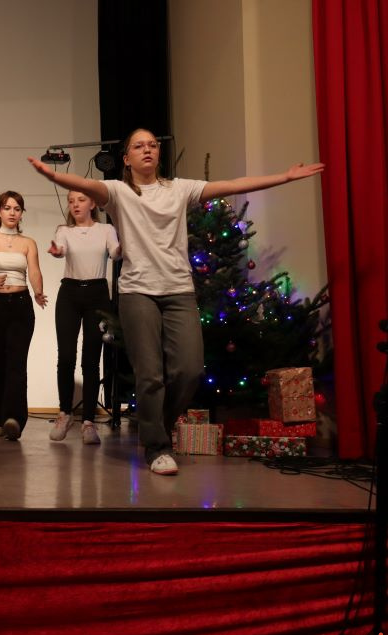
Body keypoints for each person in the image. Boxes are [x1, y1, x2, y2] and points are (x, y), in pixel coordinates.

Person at [29, 128, 323, 475]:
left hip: (179, 290)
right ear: (126, 158)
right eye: (139, 146)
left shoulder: (179, 189)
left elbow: (231, 185)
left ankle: (158, 426)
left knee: (189, 369)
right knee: (150, 374)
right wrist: (52, 175)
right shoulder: (119, 192)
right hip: (138, 292)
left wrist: (284, 177)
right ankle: (157, 447)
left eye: (152, 145)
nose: (148, 149)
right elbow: (86, 185)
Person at [47, 190, 121, 445]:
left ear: (92, 203)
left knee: (91, 359)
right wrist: (57, 251)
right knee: (66, 356)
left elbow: (116, 253)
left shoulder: (106, 230)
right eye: (71, 201)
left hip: (98, 294)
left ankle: (88, 421)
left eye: (80, 200)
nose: (75, 205)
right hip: (69, 293)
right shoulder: (64, 230)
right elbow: (61, 249)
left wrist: (125, 245)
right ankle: (65, 414)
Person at [0, 191, 48, 441]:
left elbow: (34, 271)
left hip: (20, 304)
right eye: (7, 208)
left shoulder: (28, 242)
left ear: (21, 214)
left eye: (17, 209)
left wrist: (38, 291)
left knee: (17, 363)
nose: (12, 212)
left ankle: (14, 419)